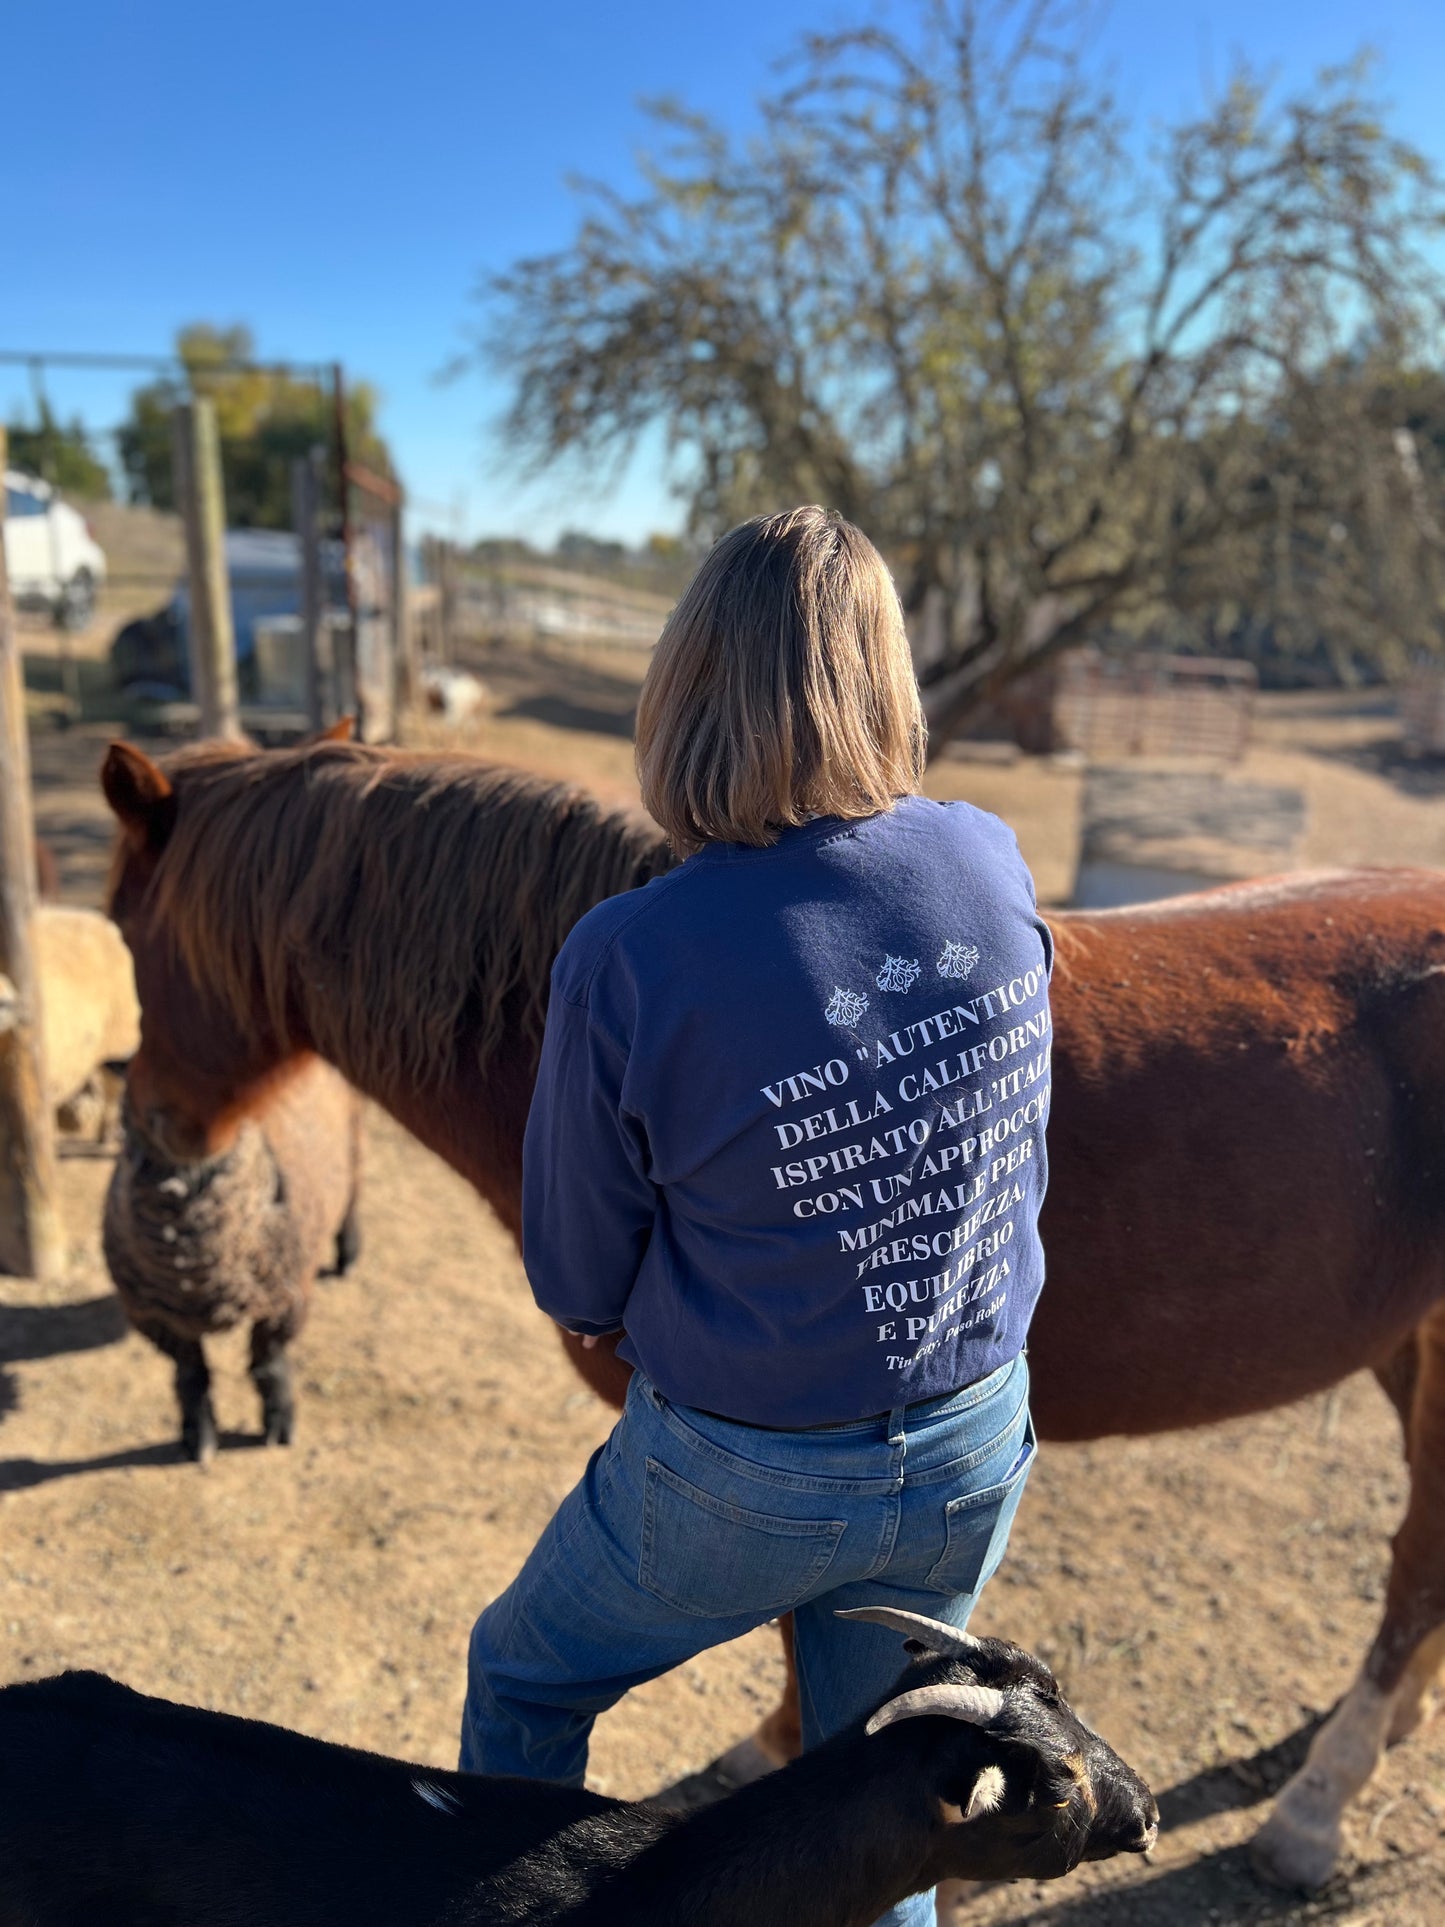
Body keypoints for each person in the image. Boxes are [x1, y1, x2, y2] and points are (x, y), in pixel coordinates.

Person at [459, 506, 1053, 1927]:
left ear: (686, 691)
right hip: (976, 1435)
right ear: (885, 680)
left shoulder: (629, 952)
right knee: (889, 1794)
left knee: (522, 1679)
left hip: (746, 1468)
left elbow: (575, 1272)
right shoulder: (989, 858)